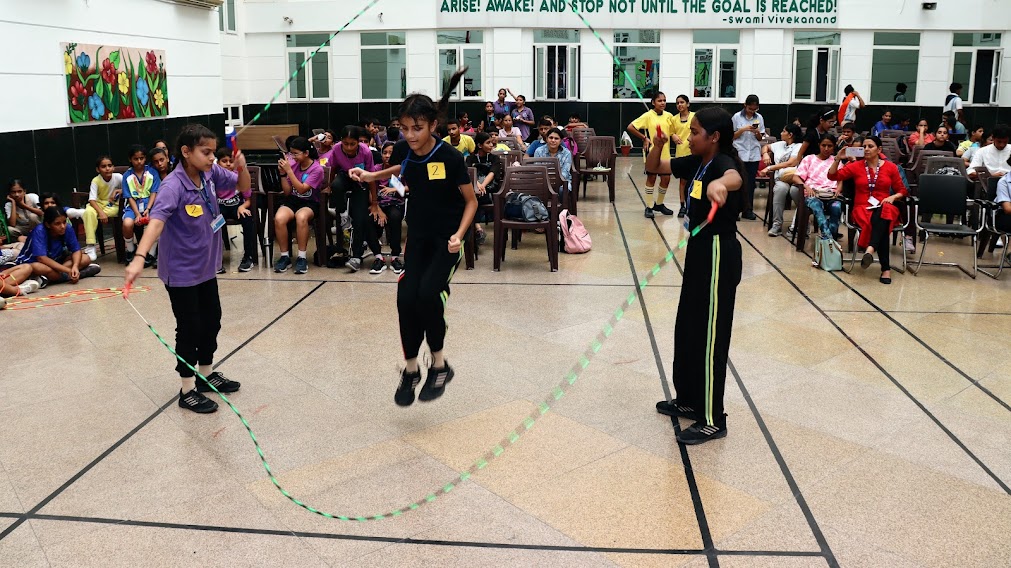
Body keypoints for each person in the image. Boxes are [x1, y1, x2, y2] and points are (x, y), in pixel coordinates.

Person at [350, 69, 477, 407]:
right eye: (404, 129)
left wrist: (459, 236)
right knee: (406, 298)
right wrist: (373, 173)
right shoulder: (409, 150)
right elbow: (403, 168)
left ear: (432, 126)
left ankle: (439, 364)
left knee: (427, 294)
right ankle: (410, 370)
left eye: (417, 128)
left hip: (447, 241)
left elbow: (471, 201)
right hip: (418, 238)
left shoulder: (451, 156)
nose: (410, 135)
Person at [124, 124, 249, 413]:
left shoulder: (209, 173)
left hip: (206, 267)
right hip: (181, 272)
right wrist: (140, 257)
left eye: (212, 152)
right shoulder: (172, 186)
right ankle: (187, 388)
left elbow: (242, 187)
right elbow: (156, 222)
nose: (211, 158)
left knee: (212, 319)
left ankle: (205, 375)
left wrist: (241, 168)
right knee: (190, 327)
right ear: (185, 152)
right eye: (205, 152)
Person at [646, 107, 744, 444]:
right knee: (687, 327)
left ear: (714, 137)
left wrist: (720, 184)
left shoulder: (721, 163)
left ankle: (713, 418)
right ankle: (688, 400)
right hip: (699, 252)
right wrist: (658, 144)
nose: (690, 136)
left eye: (696, 131)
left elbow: (736, 178)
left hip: (719, 253)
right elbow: (654, 167)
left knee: (710, 337)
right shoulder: (696, 161)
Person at [828, 136, 908, 284]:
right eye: (864, 147)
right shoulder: (856, 166)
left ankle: (870, 250)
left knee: (885, 212)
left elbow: (902, 190)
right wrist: (837, 159)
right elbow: (832, 176)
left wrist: (893, 197)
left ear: (879, 150)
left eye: (870, 146)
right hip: (862, 207)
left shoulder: (891, 167)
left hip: (885, 204)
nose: (866, 149)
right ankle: (886, 269)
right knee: (882, 224)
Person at [325, 126, 383, 273]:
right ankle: (344, 215)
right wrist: (328, 187)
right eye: (345, 143)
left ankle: (356, 257)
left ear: (358, 143)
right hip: (345, 177)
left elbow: (371, 179)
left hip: (361, 181)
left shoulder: (366, 152)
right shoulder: (337, 149)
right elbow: (332, 169)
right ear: (341, 142)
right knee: (336, 186)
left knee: (360, 219)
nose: (349, 147)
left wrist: (375, 202)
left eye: (352, 144)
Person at [272, 137, 325, 275]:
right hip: (293, 201)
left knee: (301, 217)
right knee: (279, 218)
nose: (292, 157)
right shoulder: (293, 165)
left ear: (306, 153)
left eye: (295, 153)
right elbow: (288, 192)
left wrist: (289, 171)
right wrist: (283, 174)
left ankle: (302, 257)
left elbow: (302, 189)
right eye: (290, 153)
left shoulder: (317, 169)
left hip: (310, 202)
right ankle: (285, 256)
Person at [13, 205, 101, 288]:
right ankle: (71, 276)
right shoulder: (39, 231)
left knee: (85, 258)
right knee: (37, 267)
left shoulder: (67, 228)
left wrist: (75, 266)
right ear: (48, 224)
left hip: (56, 263)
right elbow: (41, 258)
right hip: (34, 263)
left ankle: (52, 278)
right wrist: (68, 271)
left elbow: (76, 250)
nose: (62, 226)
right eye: (57, 224)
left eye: (64, 222)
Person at [628, 91, 677, 218]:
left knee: (666, 179)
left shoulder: (669, 116)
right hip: (653, 153)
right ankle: (649, 206)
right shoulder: (648, 116)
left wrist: (675, 136)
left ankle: (659, 204)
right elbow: (630, 127)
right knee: (652, 178)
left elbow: (672, 131)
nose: (663, 103)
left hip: (666, 153)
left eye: (664, 100)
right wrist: (645, 138)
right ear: (653, 102)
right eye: (660, 100)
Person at [212, 147, 257, 273]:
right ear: (218, 163)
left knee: (247, 219)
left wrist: (243, 207)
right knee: (213, 224)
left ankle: (248, 257)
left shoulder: (240, 176)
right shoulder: (214, 177)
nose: (228, 164)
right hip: (220, 207)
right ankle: (215, 260)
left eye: (231, 161)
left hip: (237, 207)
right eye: (224, 161)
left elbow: (248, 198)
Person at [795, 134, 844, 242]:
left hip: (831, 194)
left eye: (830, 146)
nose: (826, 149)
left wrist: (838, 190)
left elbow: (840, 180)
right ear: (819, 145)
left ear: (834, 146)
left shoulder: (836, 161)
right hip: (813, 194)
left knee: (837, 207)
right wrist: (806, 186)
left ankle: (828, 238)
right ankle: (829, 239)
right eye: (823, 145)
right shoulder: (809, 159)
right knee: (816, 206)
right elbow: (796, 177)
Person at [761, 124, 805, 236]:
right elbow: (765, 147)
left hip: (795, 177)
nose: (781, 133)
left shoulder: (799, 146)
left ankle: (801, 224)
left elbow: (792, 163)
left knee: (795, 192)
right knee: (780, 189)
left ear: (790, 135)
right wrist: (765, 154)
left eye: (783, 131)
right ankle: (777, 225)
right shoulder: (780, 144)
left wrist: (770, 167)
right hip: (781, 178)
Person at [122, 145, 160, 265]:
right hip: (133, 208)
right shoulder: (126, 176)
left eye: (142, 158)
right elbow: (129, 197)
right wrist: (137, 214)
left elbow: (154, 192)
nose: (139, 161)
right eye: (135, 158)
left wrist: (148, 209)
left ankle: (151, 253)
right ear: (130, 159)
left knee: (156, 222)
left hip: (151, 205)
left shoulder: (152, 172)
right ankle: (131, 250)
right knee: (127, 224)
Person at [370, 142, 405, 275]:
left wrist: (395, 188)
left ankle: (395, 256)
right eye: (385, 153)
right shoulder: (376, 169)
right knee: (367, 219)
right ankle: (379, 257)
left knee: (395, 217)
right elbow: (370, 190)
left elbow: (410, 188)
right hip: (378, 205)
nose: (387, 156)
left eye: (391, 153)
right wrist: (378, 209)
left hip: (395, 204)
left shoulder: (401, 170)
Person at [81, 156, 123, 261]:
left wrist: (119, 191)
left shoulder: (118, 177)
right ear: (98, 169)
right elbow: (92, 200)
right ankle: (90, 245)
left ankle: (81, 213)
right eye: (103, 166)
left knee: (114, 211)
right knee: (90, 212)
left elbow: (129, 189)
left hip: (113, 205)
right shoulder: (96, 180)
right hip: (99, 205)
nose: (107, 168)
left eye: (109, 166)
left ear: (113, 167)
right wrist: (101, 213)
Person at [731, 94, 765, 220]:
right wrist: (744, 129)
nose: (752, 111)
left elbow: (761, 138)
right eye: (750, 108)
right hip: (740, 153)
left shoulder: (759, 118)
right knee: (737, 183)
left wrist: (756, 132)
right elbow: (732, 136)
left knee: (750, 184)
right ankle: (735, 210)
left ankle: (748, 210)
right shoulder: (737, 117)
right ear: (745, 105)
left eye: (754, 109)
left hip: (753, 155)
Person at [466, 132, 499, 245]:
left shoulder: (495, 158)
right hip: (475, 189)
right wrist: (477, 184)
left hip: (489, 190)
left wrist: (482, 185)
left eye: (492, 143)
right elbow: (469, 173)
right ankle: (478, 228)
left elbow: (492, 173)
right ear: (480, 145)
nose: (491, 145)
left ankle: (476, 228)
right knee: (472, 195)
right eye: (488, 142)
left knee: (475, 196)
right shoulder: (470, 159)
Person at [533, 127, 574, 204]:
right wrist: (547, 181)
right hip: (543, 182)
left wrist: (554, 182)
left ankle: (562, 213)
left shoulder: (566, 153)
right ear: (546, 139)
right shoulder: (539, 151)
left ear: (561, 140)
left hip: (562, 182)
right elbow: (537, 171)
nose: (553, 140)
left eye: (556, 138)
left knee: (563, 190)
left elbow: (565, 173)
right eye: (551, 138)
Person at [671, 95, 695, 217]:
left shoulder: (695, 117)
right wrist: (672, 135)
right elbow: (670, 131)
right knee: (682, 182)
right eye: (677, 103)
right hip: (681, 153)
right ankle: (682, 205)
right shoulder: (674, 119)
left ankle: (694, 205)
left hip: (694, 153)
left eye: (682, 102)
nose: (680, 105)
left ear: (688, 104)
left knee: (696, 182)